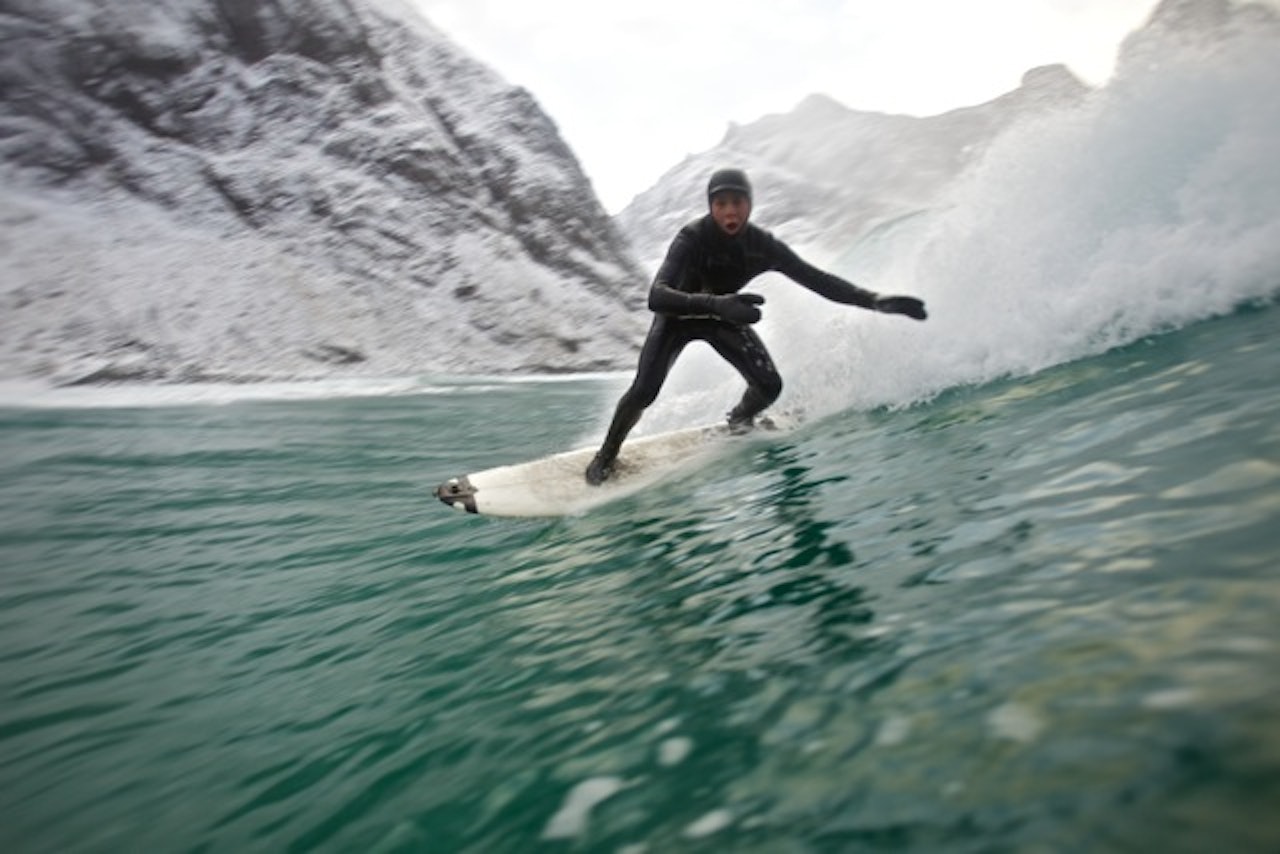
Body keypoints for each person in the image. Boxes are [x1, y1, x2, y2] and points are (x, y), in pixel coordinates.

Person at [585, 167, 927, 485]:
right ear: (711, 206)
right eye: (721, 204)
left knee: (769, 386)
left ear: (750, 205)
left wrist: (875, 301)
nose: (730, 212)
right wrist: (718, 304)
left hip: (723, 317)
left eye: (738, 202)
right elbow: (656, 297)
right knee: (644, 391)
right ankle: (607, 455)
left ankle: (739, 420)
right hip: (677, 318)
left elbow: (817, 280)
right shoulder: (692, 238)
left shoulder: (762, 246)